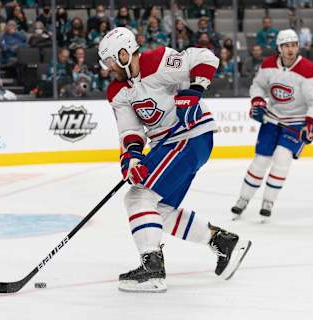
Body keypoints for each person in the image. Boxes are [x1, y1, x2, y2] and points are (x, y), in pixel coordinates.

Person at [98, 27, 251, 293]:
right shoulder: (117, 91)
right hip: (170, 144)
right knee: (159, 211)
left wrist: (195, 90)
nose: (108, 67)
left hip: (189, 136)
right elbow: (131, 131)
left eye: (110, 60)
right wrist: (131, 160)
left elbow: (205, 58)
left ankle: (152, 269)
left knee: (137, 198)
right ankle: (224, 241)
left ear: (123, 54)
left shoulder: (157, 61)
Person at [231, 29, 313, 220]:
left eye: (293, 45)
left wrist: (310, 122)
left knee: (282, 158)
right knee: (261, 160)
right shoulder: (267, 65)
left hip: (297, 122)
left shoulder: (309, 70)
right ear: (279, 48)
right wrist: (257, 100)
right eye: (286, 46)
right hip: (273, 118)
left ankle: (268, 201)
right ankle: (243, 198)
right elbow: (257, 86)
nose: (290, 49)